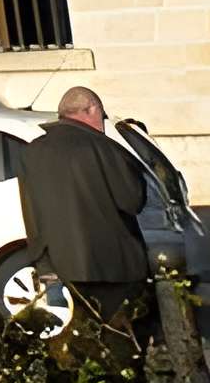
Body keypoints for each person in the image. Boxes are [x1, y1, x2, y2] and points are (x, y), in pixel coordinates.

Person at [13, 85, 152, 362]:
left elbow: (31, 211)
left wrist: (43, 263)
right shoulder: (106, 149)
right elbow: (132, 201)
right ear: (92, 110)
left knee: (74, 337)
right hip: (113, 265)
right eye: (102, 115)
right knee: (120, 341)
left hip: (59, 262)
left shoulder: (32, 152)